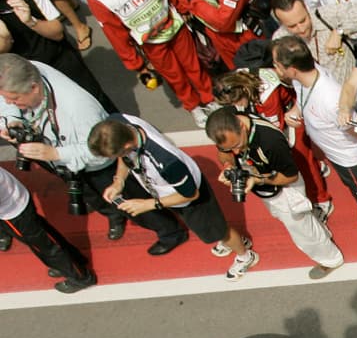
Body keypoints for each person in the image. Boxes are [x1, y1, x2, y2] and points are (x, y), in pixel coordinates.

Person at [0, 55, 171, 249]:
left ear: (34, 87)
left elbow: (100, 153)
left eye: (14, 99)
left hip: (95, 166)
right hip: (63, 158)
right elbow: (5, 102)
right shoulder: (22, 75)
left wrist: (56, 154)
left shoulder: (79, 107)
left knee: (128, 200)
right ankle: (113, 214)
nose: (9, 102)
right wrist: (13, 120)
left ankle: (169, 232)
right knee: (92, 197)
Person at [274, 35, 357, 267]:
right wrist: (296, 110)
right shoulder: (305, 77)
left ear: (291, 69)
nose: (275, 69)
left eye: (278, 65)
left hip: (351, 160)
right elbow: (302, 99)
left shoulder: (329, 98)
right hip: (339, 157)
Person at [88, 115, 258, 279]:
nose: (117, 159)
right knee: (211, 228)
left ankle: (245, 254)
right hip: (172, 192)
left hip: (189, 197)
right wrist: (119, 181)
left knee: (220, 230)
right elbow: (124, 159)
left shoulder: (166, 161)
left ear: (126, 145)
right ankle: (226, 239)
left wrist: (149, 204)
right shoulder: (119, 122)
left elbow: (191, 194)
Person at [205, 107, 346, 279]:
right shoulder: (227, 123)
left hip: (285, 190)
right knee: (296, 222)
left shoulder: (270, 141)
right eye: (229, 148)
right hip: (267, 189)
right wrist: (229, 166)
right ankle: (320, 234)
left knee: (301, 229)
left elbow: (290, 177)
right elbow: (224, 152)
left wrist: (257, 179)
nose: (235, 153)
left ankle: (331, 259)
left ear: (241, 126)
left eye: (236, 146)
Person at [82, 0, 216, 126]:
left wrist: (181, 7)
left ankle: (209, 97)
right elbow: (113, 30)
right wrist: (136, 63)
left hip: (173, 23)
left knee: (193, 64)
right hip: (150, 41)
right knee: (175, 76)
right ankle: (193, 106)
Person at [212, 69, 334, 224]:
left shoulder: (267, 96)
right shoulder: (234, 83)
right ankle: (318, 167)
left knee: (301, 160)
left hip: (290, 117)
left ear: (243, 92)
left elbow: (275, 130)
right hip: (271, 116)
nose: (232, 109)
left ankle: (321, 201)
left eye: (233, 104)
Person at [0, 0, 118, 112]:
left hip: (58, 60)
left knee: (97, 103)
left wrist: (31, 21)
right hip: (27, 81)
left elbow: (57, 33)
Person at [0, 166, 95, 293]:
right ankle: (74, 259)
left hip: (13, 213)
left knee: (45, 247)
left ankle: (81, 277)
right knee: (45, 234)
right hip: (17, 197)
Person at [270, 0, 357, 86]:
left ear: (306, 8)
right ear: (282, 24)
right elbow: (286, 79)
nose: (301, 28)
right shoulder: (279, 41)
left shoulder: (323, 15)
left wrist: (339, 32)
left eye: (303, 20)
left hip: (352, 88)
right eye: (292, 26)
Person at [170, 0, 263, 71]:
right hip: (215, 33)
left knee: (265, 76)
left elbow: (224, 21)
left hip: (245, 32)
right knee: (239, 78)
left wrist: (194, 0)